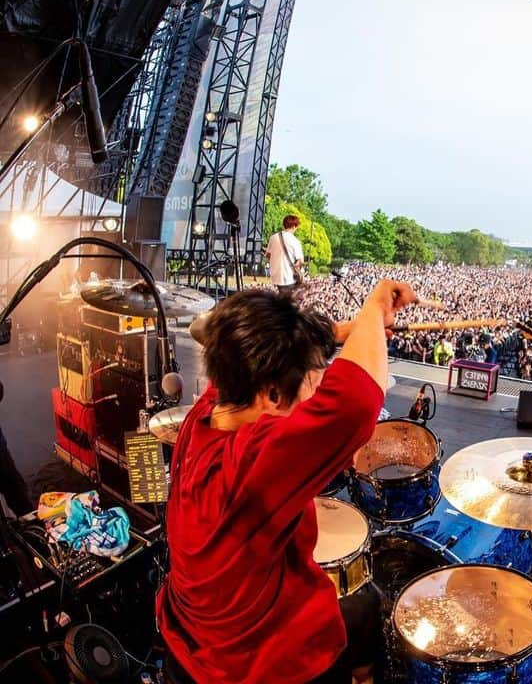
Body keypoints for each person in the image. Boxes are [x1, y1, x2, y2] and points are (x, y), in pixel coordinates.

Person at [157, 280, 418, 684]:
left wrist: (342, 334)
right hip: (259, 666)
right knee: (363, 607)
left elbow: (246, 353)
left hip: (193, 646)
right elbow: (355, 403)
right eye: (312, 382)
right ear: (274, 394)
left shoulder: (209, 410)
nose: (318, 386)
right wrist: (373, 306)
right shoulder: (251, 461)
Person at [265, 214, 305, 294]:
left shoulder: (273, 237)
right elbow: (300, 261)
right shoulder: (295, 241)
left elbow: (268, 255)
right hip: (288, 277)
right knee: (287, 301)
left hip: (275, 275)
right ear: (294, 226)